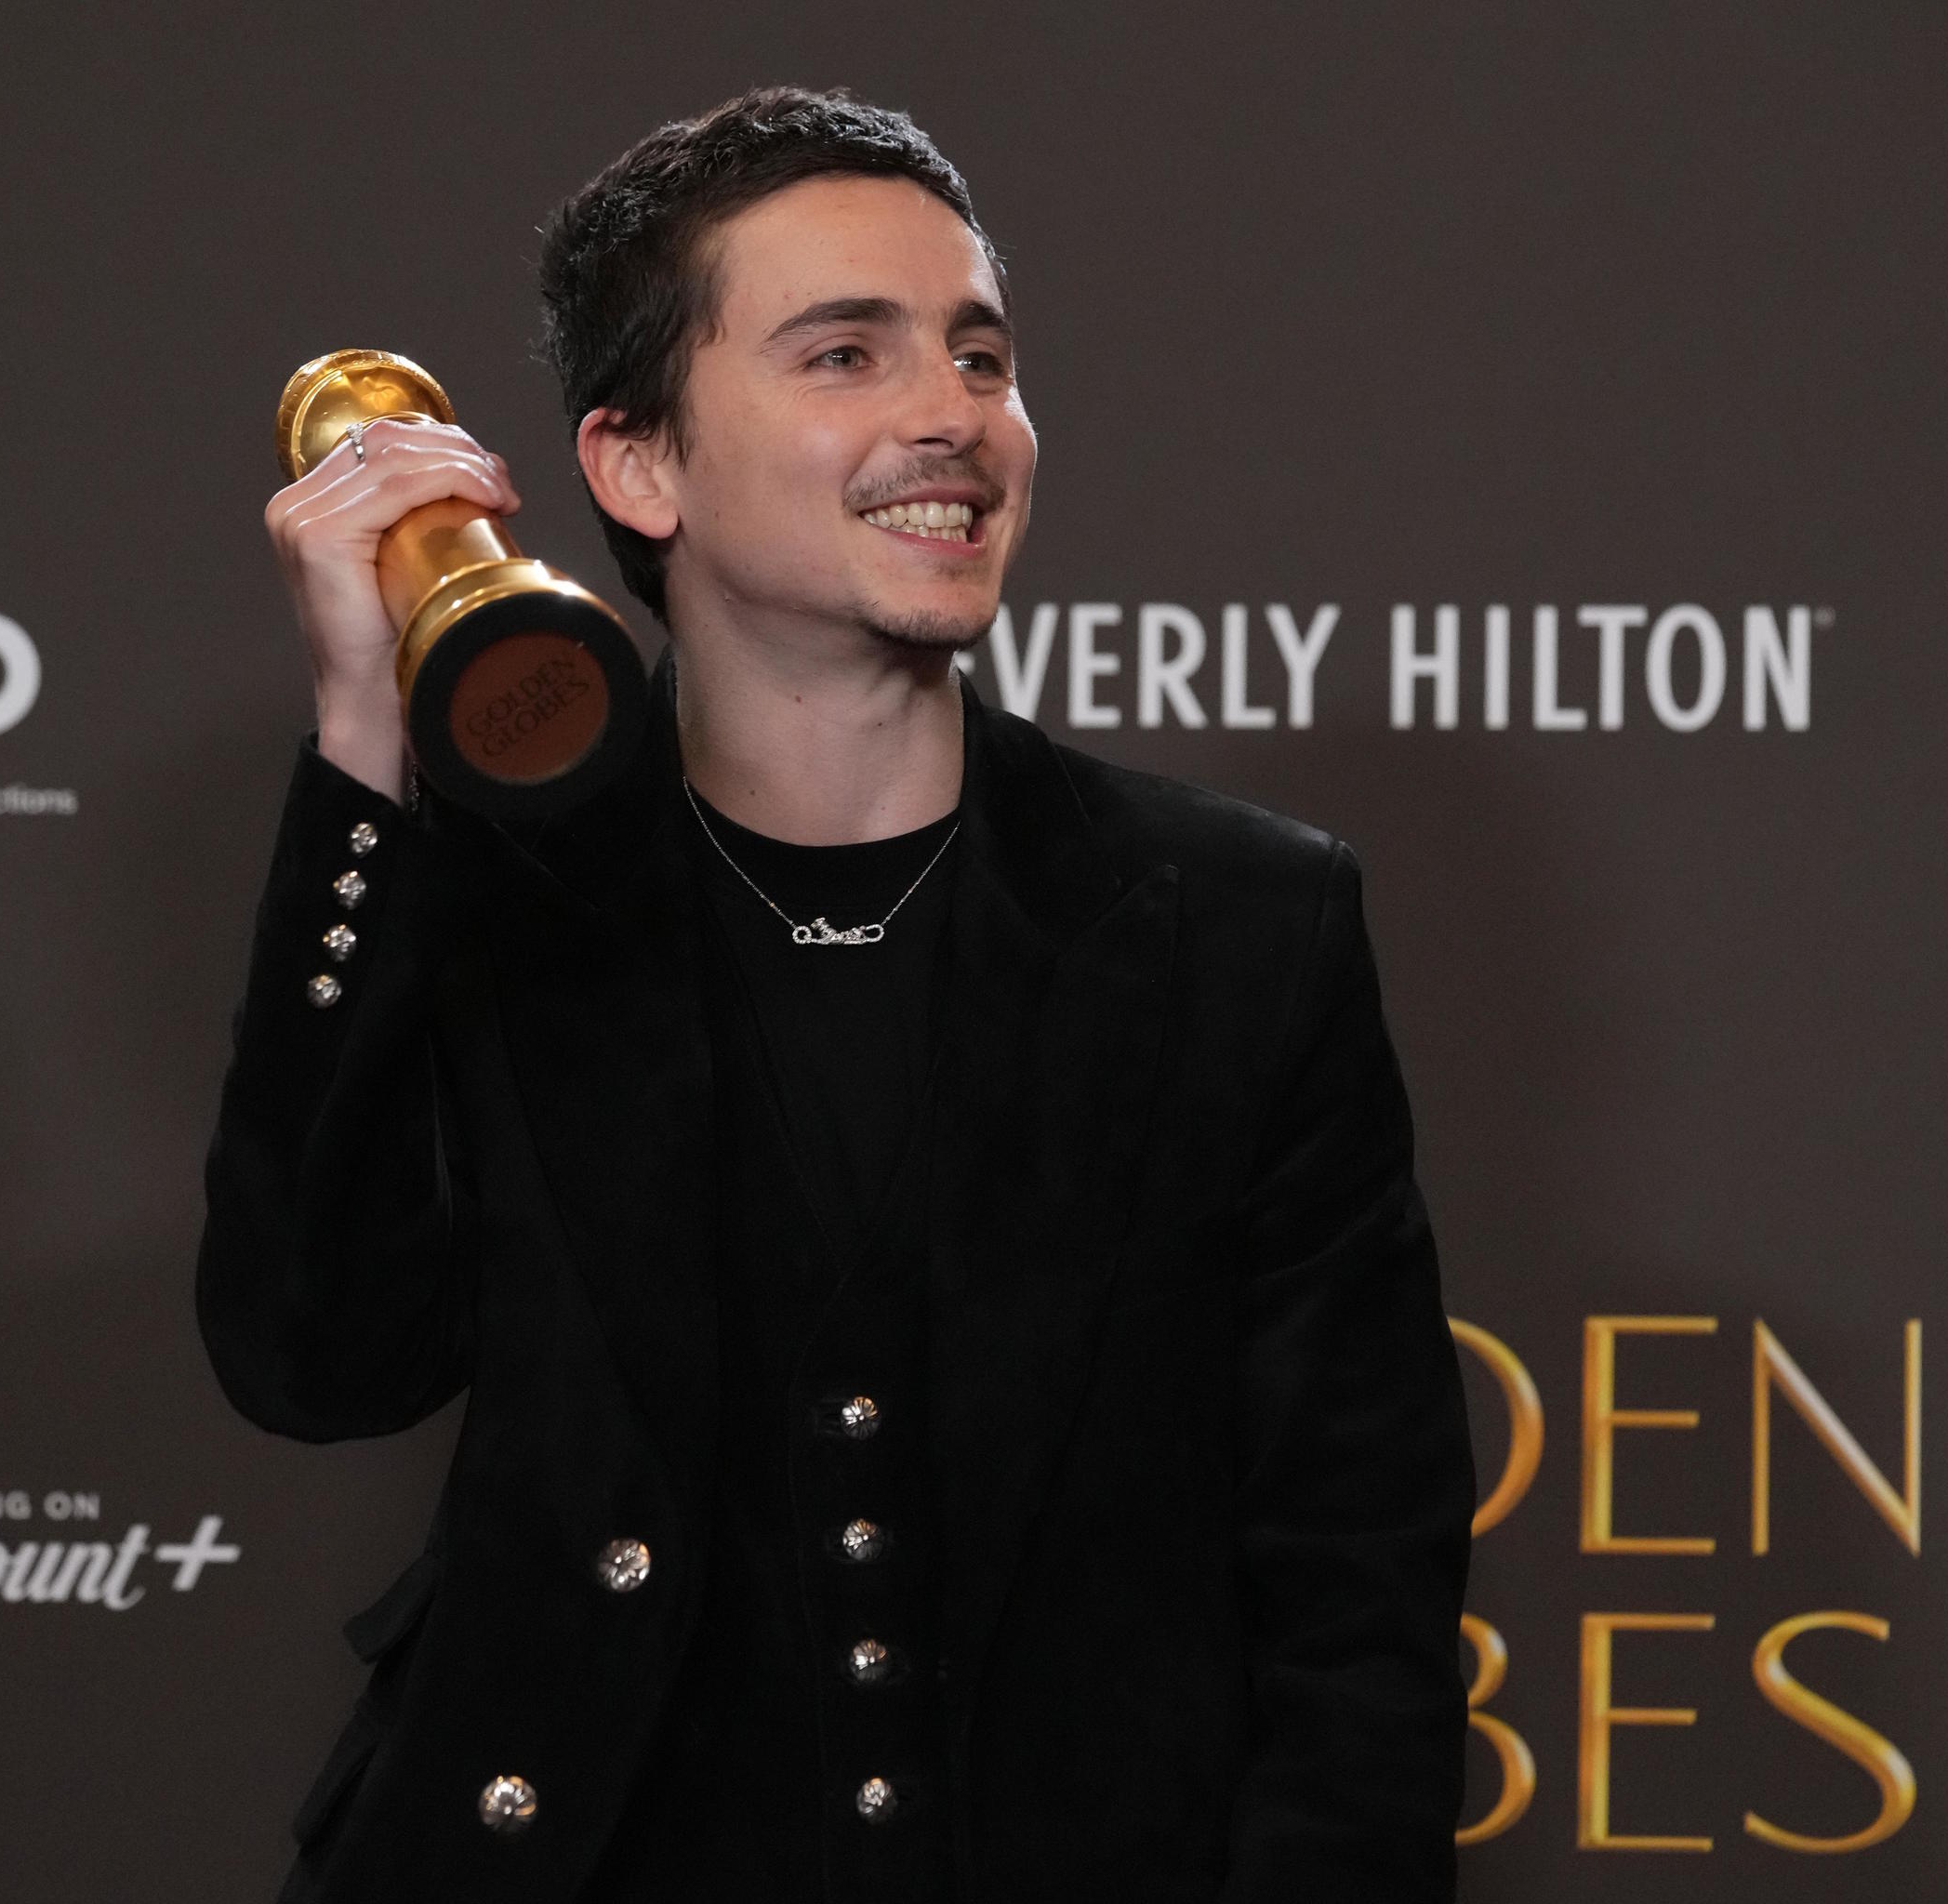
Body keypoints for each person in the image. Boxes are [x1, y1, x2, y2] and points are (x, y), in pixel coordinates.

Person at [198, 85, 1474, 1904]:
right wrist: (363, 743)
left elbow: (1362, 1600)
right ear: (640, 465)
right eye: (843, 354)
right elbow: (312, 1355)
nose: (951, 411)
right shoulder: (496, 899)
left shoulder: (1241, 926)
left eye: (979, 351)